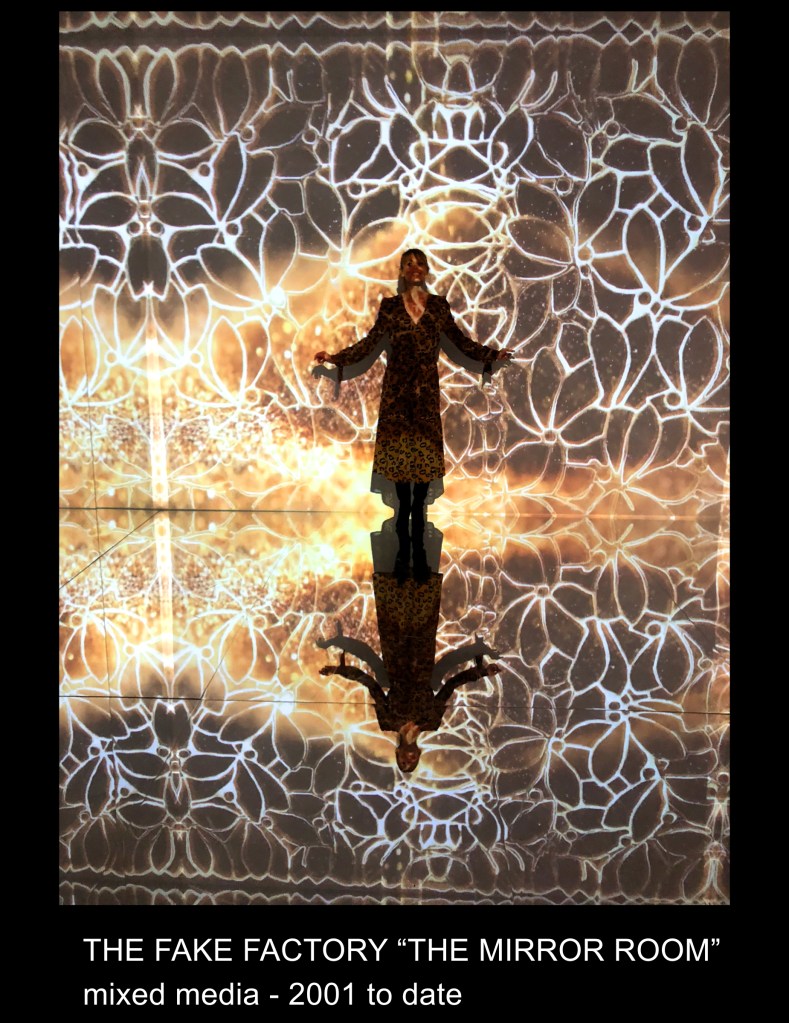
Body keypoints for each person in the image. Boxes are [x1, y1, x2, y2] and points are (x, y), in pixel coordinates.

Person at [314, 249, 514, 561]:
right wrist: (336, 358)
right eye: (408, 263)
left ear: (426, 269)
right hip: (397, 392)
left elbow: (460, 341)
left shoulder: (438, 306)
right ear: (402, 272)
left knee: (422, 453)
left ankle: (418, 525)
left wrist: (491, 355)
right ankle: (403, 520)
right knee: (399, 454)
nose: (414, 267)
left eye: (419, 263)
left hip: (425, 392)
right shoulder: (390, 307)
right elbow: (369, 343)